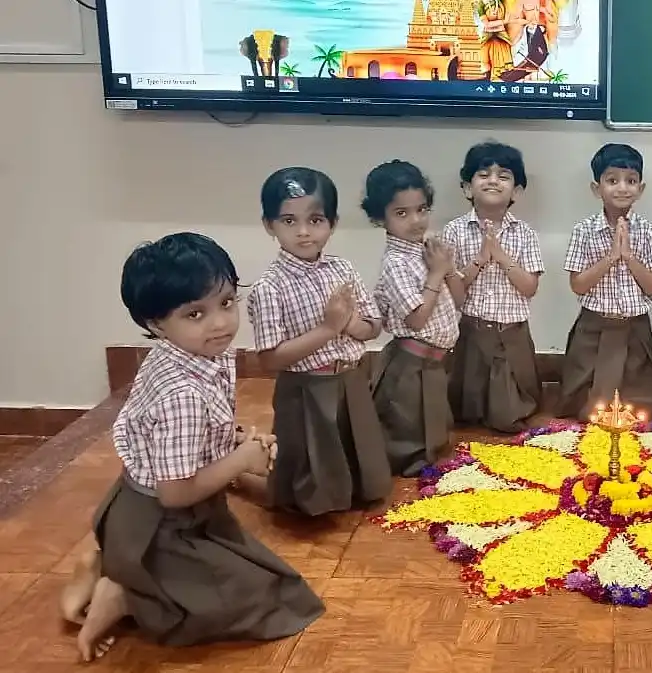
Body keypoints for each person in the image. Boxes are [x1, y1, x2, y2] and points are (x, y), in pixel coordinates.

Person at [64, 232, 324, 662]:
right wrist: (242, 461)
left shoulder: (199, 350)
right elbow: (175, 492)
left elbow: (198, 429)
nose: (220, 322)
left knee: (268, 582)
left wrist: (235, 438)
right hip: (160, 523)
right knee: (271, 602)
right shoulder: (181, 392)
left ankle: (111, 567)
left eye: (226, 302)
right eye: (195, 313)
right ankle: (127, 596)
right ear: (155, 324)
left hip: (176, 512)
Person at [246, 167, 392, 516]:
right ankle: (244, 478)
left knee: (358, 459)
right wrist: (328, 328)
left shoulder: (343, 269)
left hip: (351, 380)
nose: (303, 231)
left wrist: (353, 324)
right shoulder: (270, 287)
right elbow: (271, 360)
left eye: (315, 220)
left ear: (332, 222)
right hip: (306, 389)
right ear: (269, 225)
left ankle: (351, 490)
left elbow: (374, 325)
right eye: (288, 220)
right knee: (308, 479)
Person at [557, 143, 652, 419]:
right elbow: (578, 285)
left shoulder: (648, 231)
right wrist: (611, 257)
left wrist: (628, 255)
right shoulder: (583, 230)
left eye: (631, 181)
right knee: (588, 409)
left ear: (640, 189)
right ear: (597, 188)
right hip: (593, 327)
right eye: (612, 180)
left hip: (635, 328)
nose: (622, 188)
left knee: (641, 409)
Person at [366, 159, 463, 477]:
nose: (416, 220)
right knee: (404, 431)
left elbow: (461, 298)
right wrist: (436, 273)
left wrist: (446, 268)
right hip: (409, 362)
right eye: (402, 213)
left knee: (431, 431)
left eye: (422, 209)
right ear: (380, 218)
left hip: (434, 361)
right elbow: (418, 319)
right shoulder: (396, 262)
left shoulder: (428, 249)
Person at [444, 142, 545, 432]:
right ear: (467, 187)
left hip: (512, 334)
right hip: (471, 332)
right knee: (465, 412)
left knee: (507, 417)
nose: (492, 180)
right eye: (483, 174)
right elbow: (454, 293)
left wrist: (500, 256)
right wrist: (479, 260)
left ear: (517, 191)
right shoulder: (454, 231)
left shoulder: (525, 233)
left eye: (503, 175)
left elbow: (529, 288)